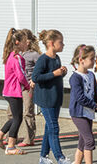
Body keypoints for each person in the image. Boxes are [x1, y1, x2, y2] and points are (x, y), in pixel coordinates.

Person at [0, 28, 32, 155]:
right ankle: (11, 146)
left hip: (8, 91)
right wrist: (27, 85)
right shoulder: (17, 57)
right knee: (18, 118)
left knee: (15, 117)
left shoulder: (10, 55)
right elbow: (21, 75)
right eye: (25, 42)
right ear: (18, 42)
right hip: (14, 91)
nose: (27, 44)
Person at [32, 29, 70, 164]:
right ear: (52, 43)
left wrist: (62, 72)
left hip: (56, 98)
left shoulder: (57, 58)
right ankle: (60, 158)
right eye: (61, 42)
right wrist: (54, 73)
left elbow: (55, 76)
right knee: (54, 128)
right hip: (46, 99)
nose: (63, 44)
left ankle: (43, 157)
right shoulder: (43, 59)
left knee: (49, 128)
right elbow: (35, 77)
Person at [69, 45, 97, 164]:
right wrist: (95, 105)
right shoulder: (75, 78)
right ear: (81, 60)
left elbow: (95, 94)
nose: (94, 61)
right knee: (89, 141)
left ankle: (77, 162)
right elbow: (80, 98)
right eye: (91, 59)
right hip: (78, 113)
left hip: (88, 112)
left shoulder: (91, 75)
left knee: (83, 141)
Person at [4, 29, 40, 147]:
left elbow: (41, 67)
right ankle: (10, 136)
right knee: (12, 113)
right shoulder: (16, 55)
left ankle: (29, 138)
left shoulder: (33, 54)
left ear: (28, 42)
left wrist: (32, 81)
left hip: (27, 85)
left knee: (27, 112)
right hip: (16, 87)